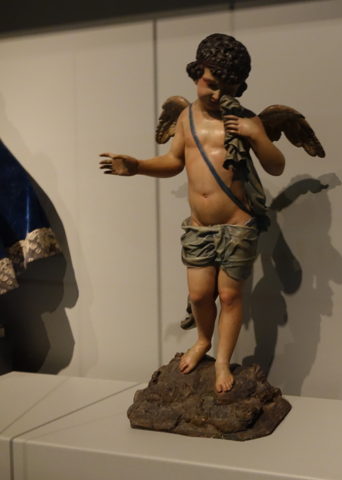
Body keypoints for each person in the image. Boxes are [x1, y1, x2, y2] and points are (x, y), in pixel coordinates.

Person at [99, 33, 285, 393]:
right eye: (210, 84)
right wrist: (137, 166)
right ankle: (202, 340)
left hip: (237, 225)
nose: (216, 95)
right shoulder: (186, 118)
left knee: (229, 296)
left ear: (240, 87)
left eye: (227, 88)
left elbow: (276, 166)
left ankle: (222, 360)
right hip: (199, 227)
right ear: (197, 74)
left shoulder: (245, 120)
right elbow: (173, 161)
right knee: (200, 295)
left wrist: (257, 135)